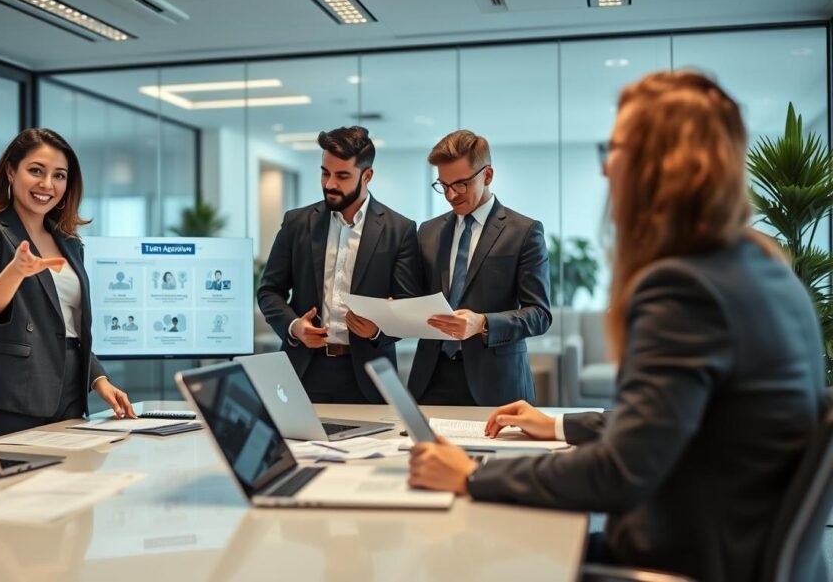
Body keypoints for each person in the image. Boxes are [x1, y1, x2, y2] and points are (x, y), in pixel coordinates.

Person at [407, 71, 827, 582]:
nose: (606, 168)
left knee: (474, 556)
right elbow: (661, 421)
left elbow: (620, 471)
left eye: (617, 147)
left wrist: (475, 475)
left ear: (663, 166)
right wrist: (559, 423)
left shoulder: (684, 286)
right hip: (722, 546)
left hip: (682, 560)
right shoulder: (758, 268)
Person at [0, 128, 136, 437]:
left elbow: (67, 327)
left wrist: (99, 380)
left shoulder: (68, 241)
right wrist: (16, 270)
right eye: (36, 170)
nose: (47, 185)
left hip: (69, 395)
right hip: (9, 397)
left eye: (59, 175)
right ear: (11, 171)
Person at [257, 126, 421, 403]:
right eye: (324, 172)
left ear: (367, 175)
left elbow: (409, 303)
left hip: (370, 377)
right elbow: (268, 291)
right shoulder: (297, 223)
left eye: (342, 175)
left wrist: (378, 330)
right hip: (303, 371)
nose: (330, 184)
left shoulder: (399, 230)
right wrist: (295, 326)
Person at [407, 130, 551, 406]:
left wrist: (482, 323)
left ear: (487, 175)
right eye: (443, 185)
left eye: (460, 184)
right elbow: (417, 297)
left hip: (497, 384)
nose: (451, 194)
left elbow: (540, 314)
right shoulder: (428, 231)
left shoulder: (524, 232)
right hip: (430, 380)